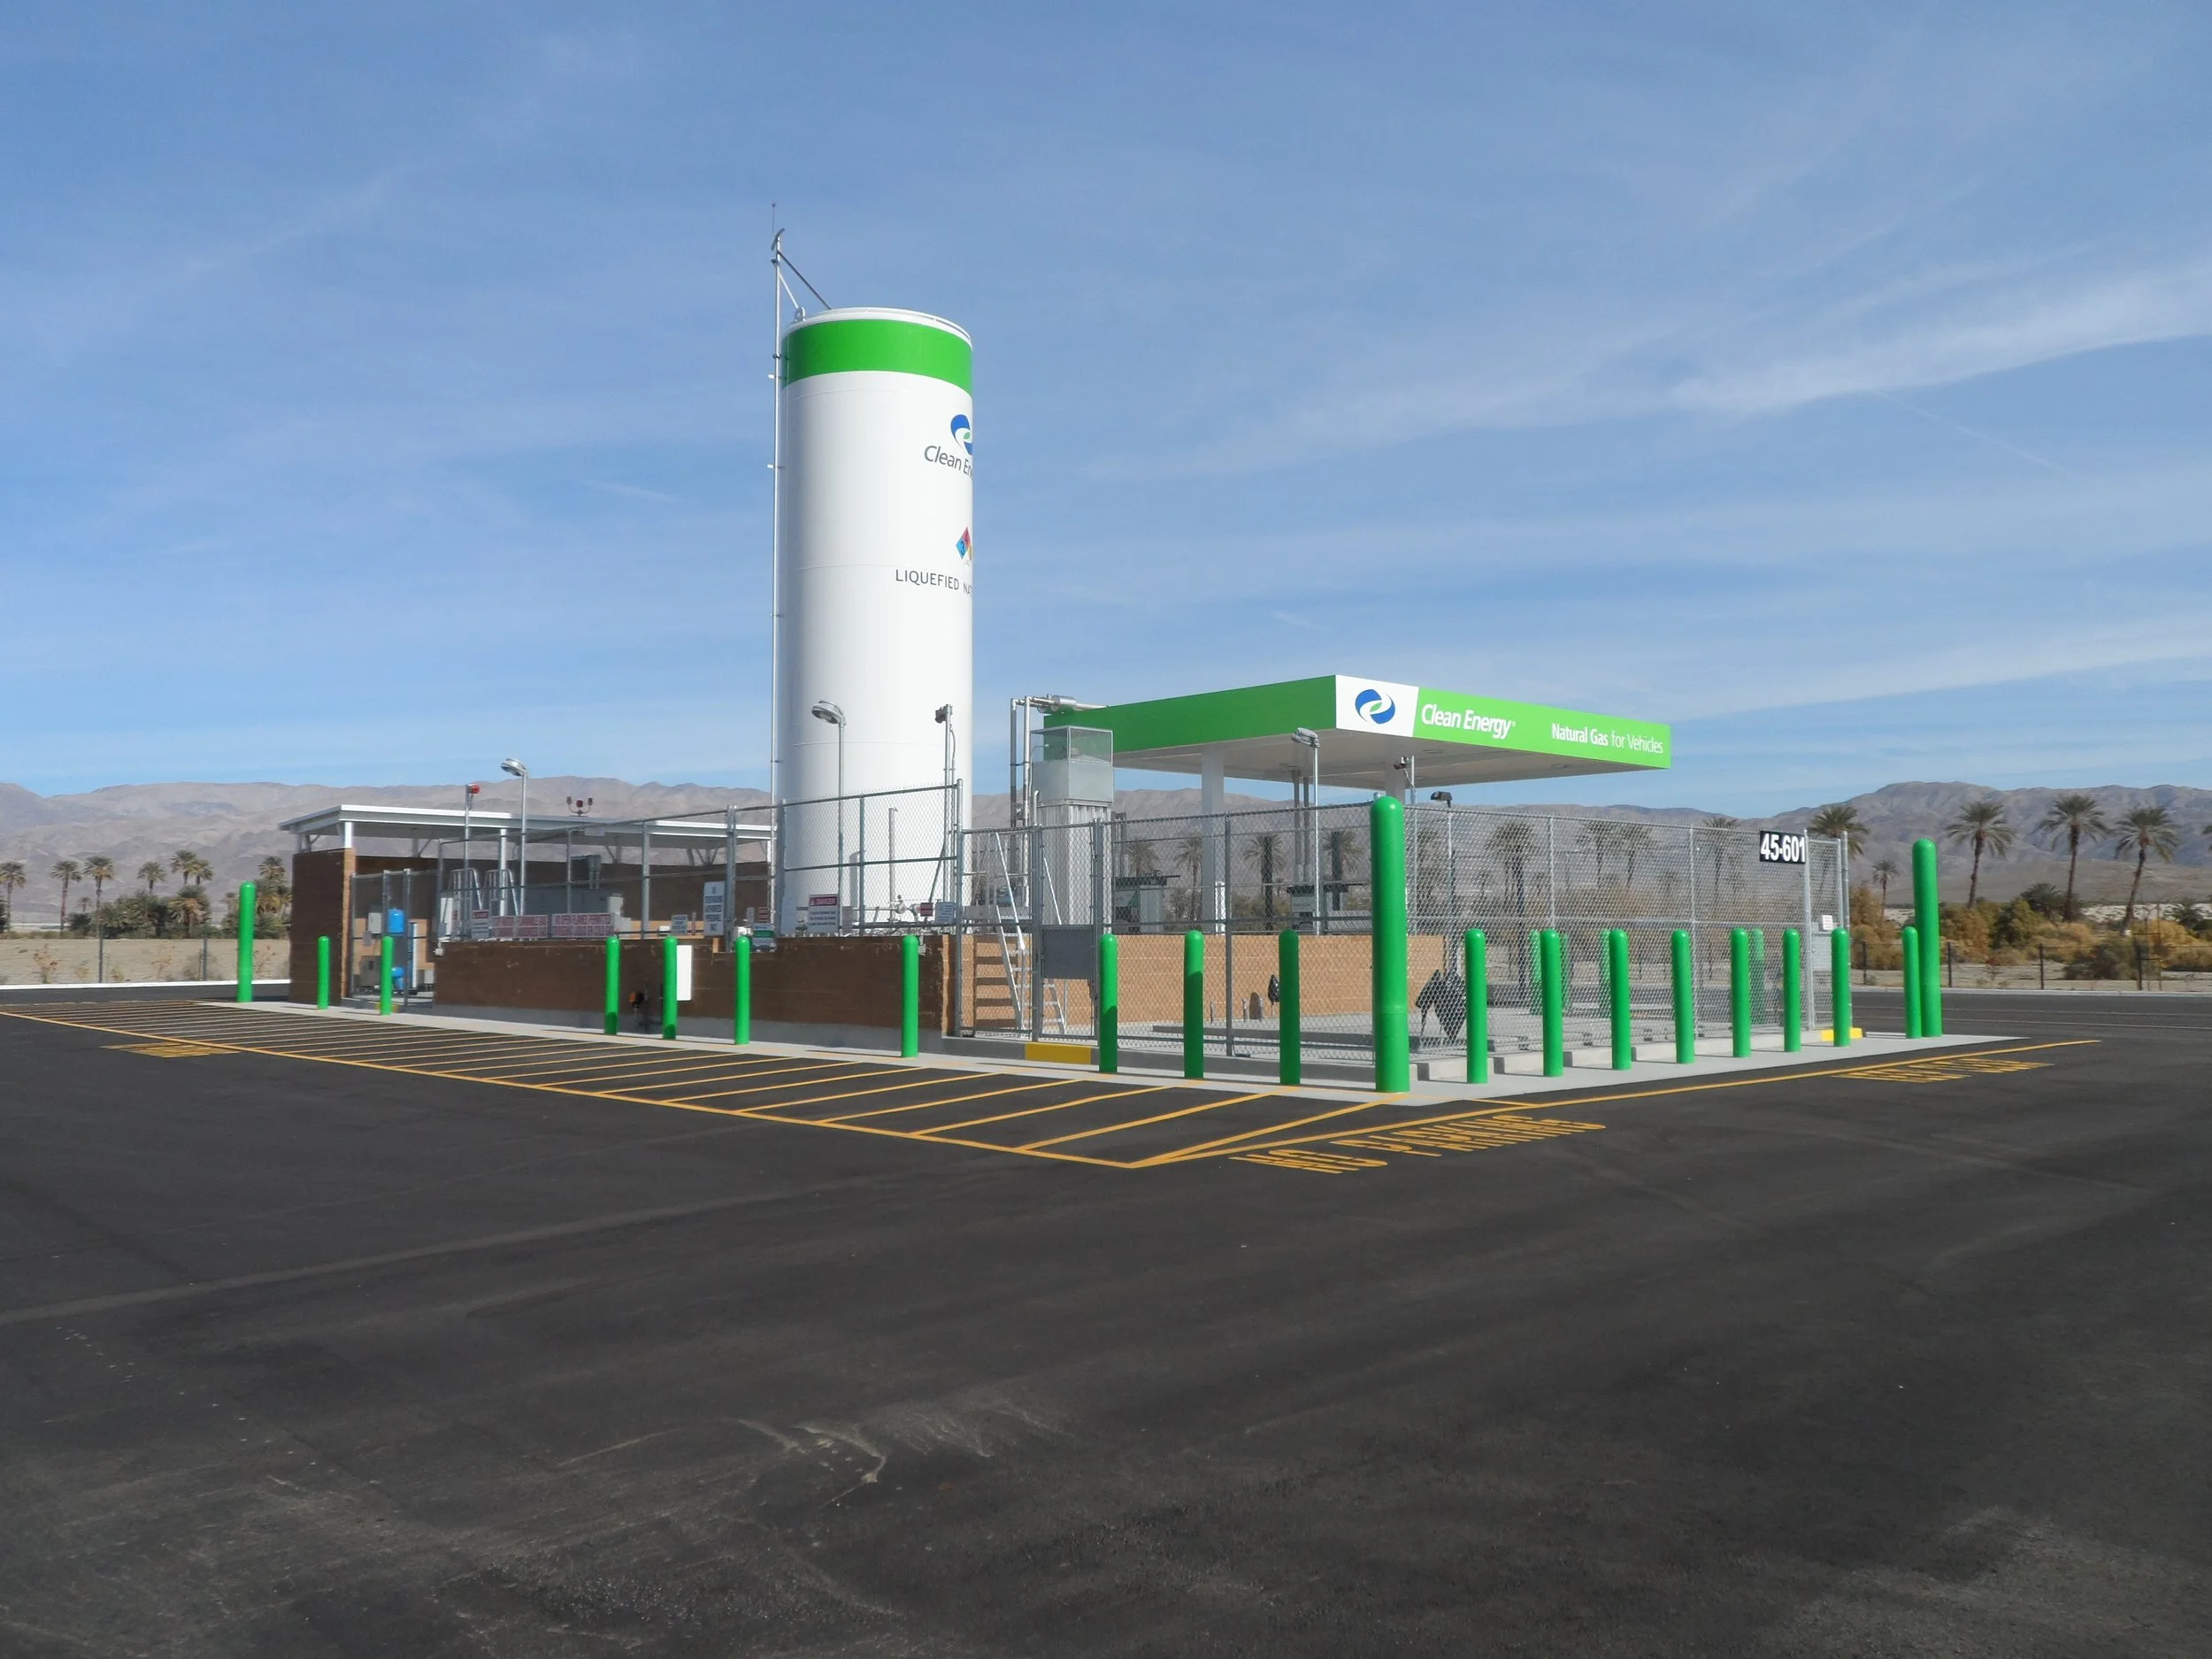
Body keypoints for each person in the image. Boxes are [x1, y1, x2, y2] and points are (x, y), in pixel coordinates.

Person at [1415, 964, 1468, 1041]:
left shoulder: (1459, 985)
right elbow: (1423, 1003)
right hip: (1450, 1009)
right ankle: (1451, 1035)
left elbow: (1422, 1003)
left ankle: (1451, 1034)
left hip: (1452, 1009)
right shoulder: (1436, 985)